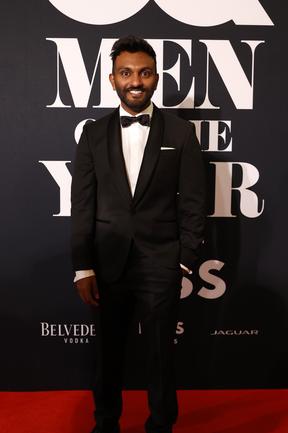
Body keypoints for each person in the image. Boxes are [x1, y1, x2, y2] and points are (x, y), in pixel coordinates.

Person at [71, 35, 206, 433]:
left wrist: (183, 262)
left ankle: (161, 425)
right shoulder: (92, 134)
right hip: (107, 262)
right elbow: (83, 205)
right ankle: (106, 423)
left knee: (160, 356)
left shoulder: (180, 134)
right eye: (126, 73)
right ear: (112, 80)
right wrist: (82, 268)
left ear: (156, 78)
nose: (136, 81)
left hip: (162, 262)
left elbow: (194, 204)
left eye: (144, 73)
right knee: (108, 353)